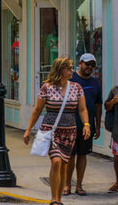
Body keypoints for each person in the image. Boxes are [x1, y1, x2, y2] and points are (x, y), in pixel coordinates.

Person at [23, 57, 90, 205]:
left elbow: (82, 109)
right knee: (56, 162)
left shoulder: (77, 88)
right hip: (51, 132)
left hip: (69, 132)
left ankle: (58, 199)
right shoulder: (47, 87)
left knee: (64, 165)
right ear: (60, 70)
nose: (72, 71)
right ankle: (54, 199)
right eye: (69, 68)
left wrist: (86, 124)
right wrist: (28, 130)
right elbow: (37, 110)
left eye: (72, 67)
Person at [64, 53, 103, 196]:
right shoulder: (71, 79)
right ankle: (67, 185)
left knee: (83, 155)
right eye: (87, 64)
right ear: (80, 63)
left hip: (87, 126)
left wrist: (97, 126)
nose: (90, 67)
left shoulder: (95, 83)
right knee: (70, 155)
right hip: (70, 124)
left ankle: (79, 186)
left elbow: (98, 106)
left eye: (93, 65)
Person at [104, 84, 118, 193]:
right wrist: (113, 102)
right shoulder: (115, 90)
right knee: (117, 158)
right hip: (117, 132)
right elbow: (106, 107)